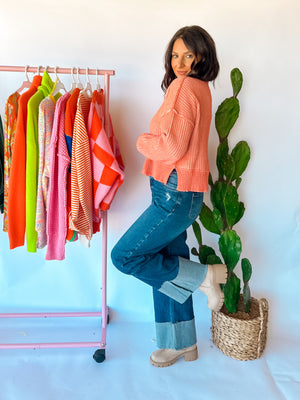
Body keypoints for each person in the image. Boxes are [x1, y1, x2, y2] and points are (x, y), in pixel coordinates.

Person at [111, 25, 227, 368]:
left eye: (188, 55)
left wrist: (141, 141)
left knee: (126, 256)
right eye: (175, 55)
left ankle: (204, 277)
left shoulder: (183, 87)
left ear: (202, 56)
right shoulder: (202, 89)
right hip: (184, 193)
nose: (179, 62)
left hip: (173, 194)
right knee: (167, 267)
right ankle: (182, 344)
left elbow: (172, 146)